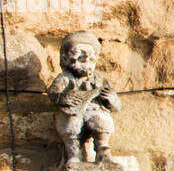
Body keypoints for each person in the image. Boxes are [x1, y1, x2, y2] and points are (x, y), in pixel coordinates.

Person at [47, 31, 120, 164]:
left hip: (94, 110)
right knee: (71, 124)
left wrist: (111, 100)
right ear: (65, 59)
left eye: (90, 57)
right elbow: (52, 96)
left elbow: (116, 105)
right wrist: (64, 98)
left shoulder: (99, 79)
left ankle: (103, 150)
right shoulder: (65, 78)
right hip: (73, 114)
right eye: (80, 56)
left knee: (101, 121)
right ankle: (74, 154)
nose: (86, 60)